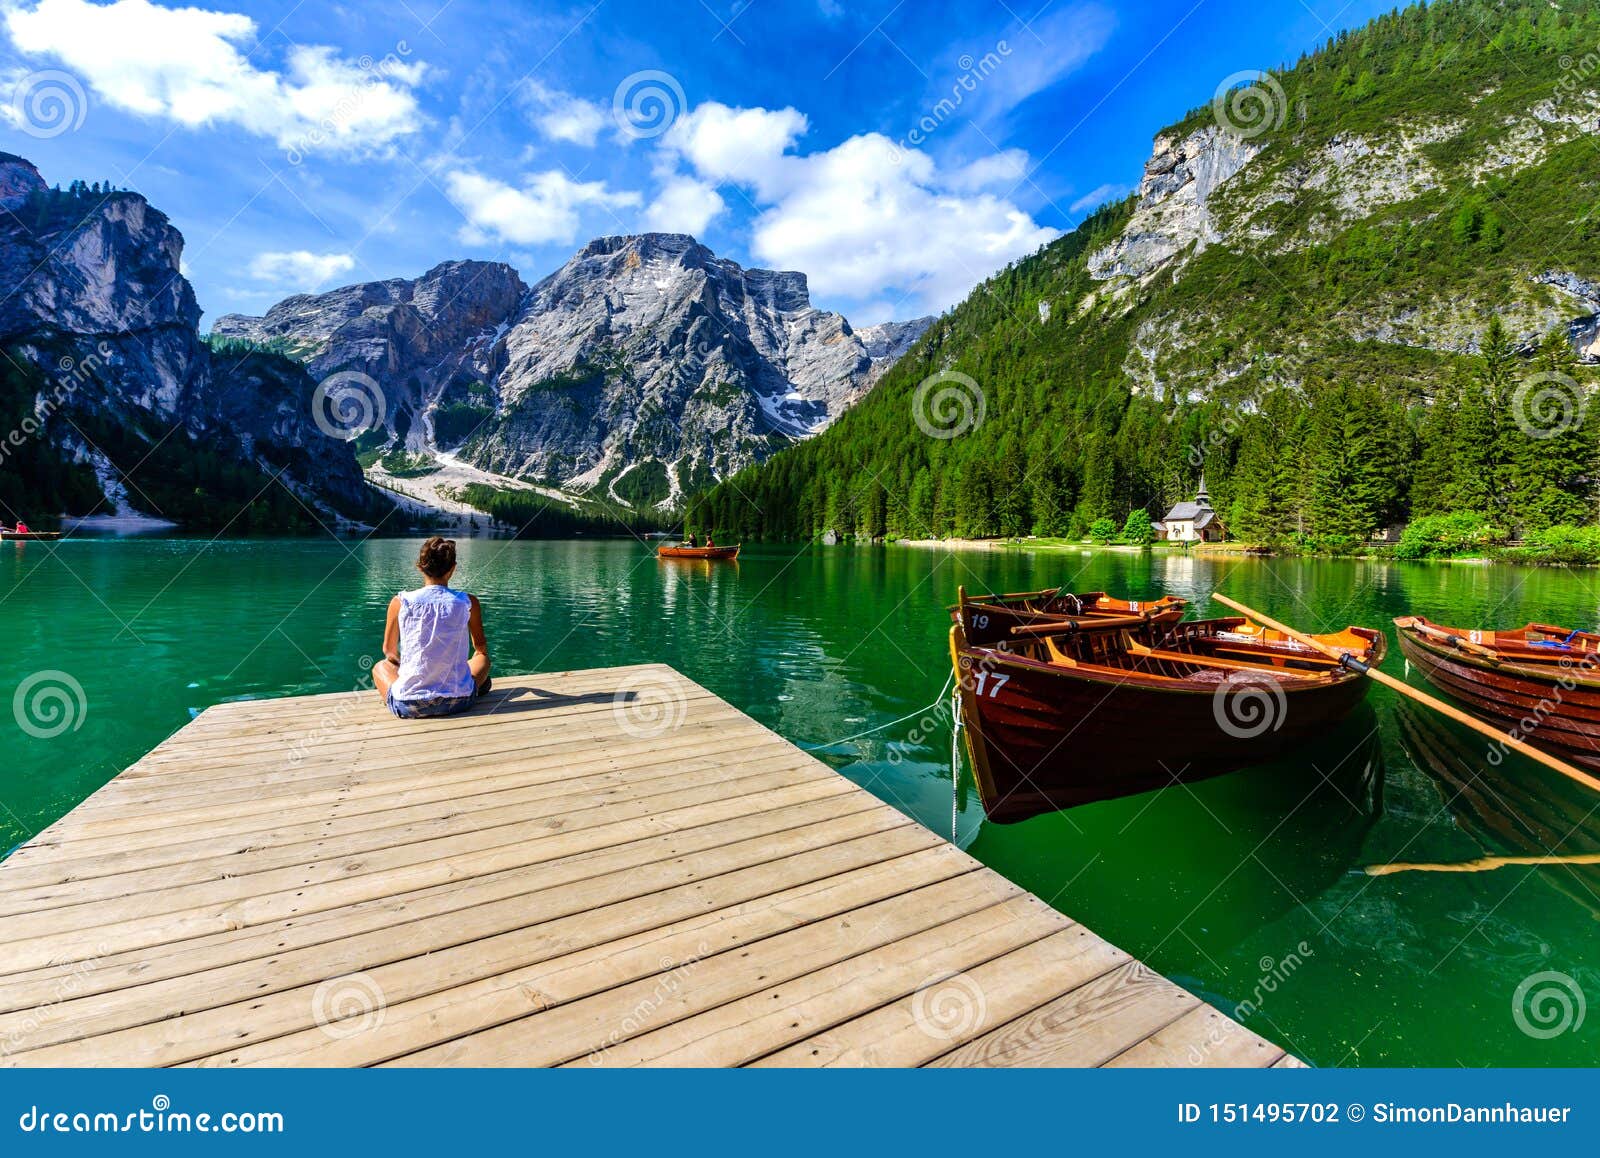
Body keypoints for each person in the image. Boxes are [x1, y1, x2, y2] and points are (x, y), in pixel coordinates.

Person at [371, 536, 491, 719]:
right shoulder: (468, 602)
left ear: (420, 566)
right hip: (459, 701)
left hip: (408, 705)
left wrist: (412, 668)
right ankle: (470, 686)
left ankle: (399, 694)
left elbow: (389, 651)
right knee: (482, 659)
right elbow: (480, 647)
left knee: (380, 667)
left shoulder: (400, 602)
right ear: (452, 569)